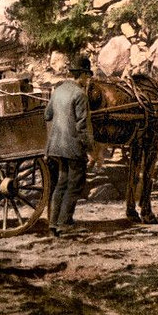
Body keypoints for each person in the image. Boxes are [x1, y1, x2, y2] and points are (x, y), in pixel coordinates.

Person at [44, 54, 95, 236]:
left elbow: (47, 115)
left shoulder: (58, 90)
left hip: (56, 146)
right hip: (72, 147)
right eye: (87, 75)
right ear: (81, 74)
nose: (88, 79)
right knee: (75, 184)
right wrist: (90, 150)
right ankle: (65, 223)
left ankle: (53, 223)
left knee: (61, 183)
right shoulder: (80, 95)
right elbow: (82, 126)